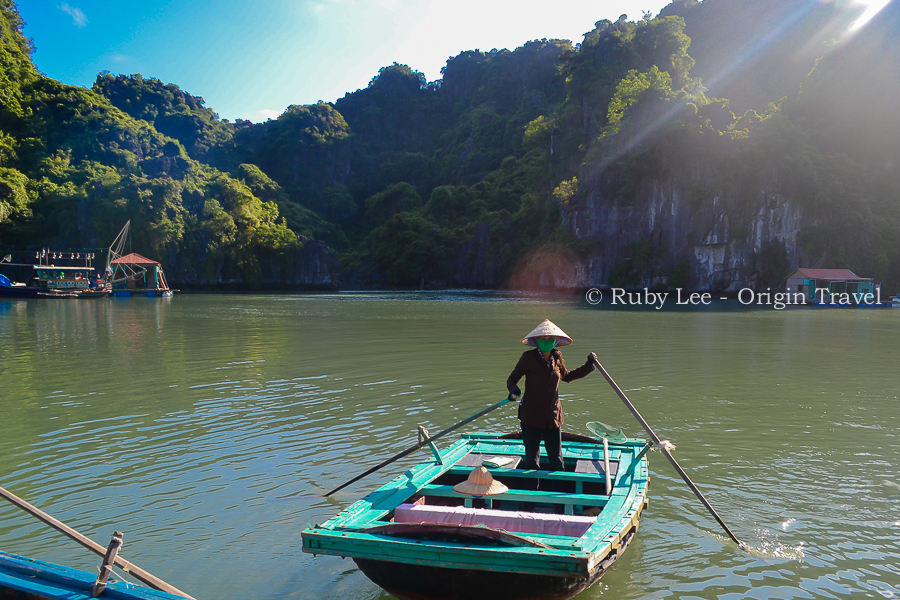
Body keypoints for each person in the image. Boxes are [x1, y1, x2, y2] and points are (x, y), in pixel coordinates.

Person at [507, 319, 598, 471]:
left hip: (553, 416)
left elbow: (567, 376)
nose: (547, 341)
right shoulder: (528, 358)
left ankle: (559, 489)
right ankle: (532, 491)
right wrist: (514, 390)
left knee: (556, 458)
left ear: (556, 341)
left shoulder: (557, 357)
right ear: (537, 340)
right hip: (531, 415)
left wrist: (588, 365)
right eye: (544, 338)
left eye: (551, 338)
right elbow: (512, 378)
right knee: (531, 459)